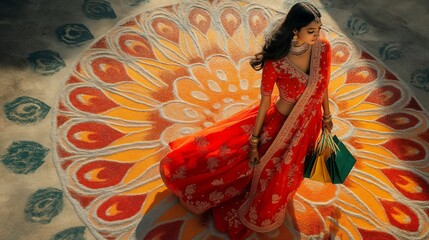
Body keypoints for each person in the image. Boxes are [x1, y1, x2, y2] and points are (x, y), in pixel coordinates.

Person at [159, 2, 333, 239]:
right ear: (295, 30)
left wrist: (327, 115)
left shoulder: (323, 48)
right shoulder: (277, 61)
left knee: (294, 170)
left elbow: (322, 84)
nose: (317, 35)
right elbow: (264, 102)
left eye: (319, 29)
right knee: (244, 165)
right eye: (311, 31)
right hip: (280, 124)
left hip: (309, 125)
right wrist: (253, 142)